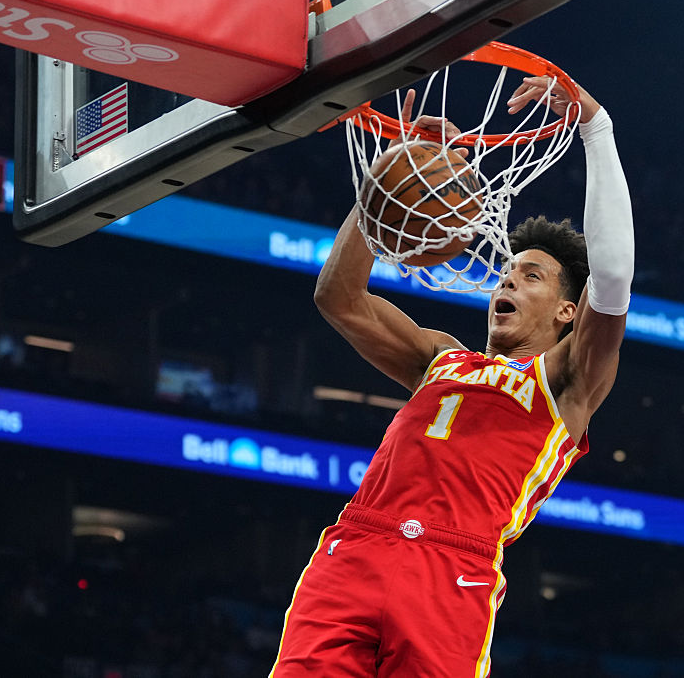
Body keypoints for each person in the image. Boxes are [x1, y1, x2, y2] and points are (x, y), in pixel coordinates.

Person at [269, 76, 634, 677]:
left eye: (533, 277)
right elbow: (339, 297)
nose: (508, 281)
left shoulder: (568, 381)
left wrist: (597, 130)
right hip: (357, 546)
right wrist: (386, 188)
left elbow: (614, 276)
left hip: (453, 566)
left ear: (569, 312)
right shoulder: (440, 357)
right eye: (509, 271)